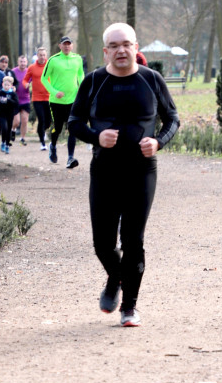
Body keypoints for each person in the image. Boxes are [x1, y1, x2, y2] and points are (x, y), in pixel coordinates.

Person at [68, 23, 179, 327]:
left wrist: (158, 142)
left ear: (135, 47)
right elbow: (74, 122)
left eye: (126, 44)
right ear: (105, 51)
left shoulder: (151, 80)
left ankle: (129, 307)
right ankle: (115, 278)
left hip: (141, 171)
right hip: (104, 170)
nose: (120, 50)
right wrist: (95, 137)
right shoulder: (93, 82)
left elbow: (172, 119)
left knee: (133, 240)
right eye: (114, 45)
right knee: (102, 244)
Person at [41, 36, 84, 169]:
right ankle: (52, 145)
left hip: (73, 100)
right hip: (56, 101)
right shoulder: (53, 60)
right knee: (58, 128)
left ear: (72, 46)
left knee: (72, 128)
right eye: (64, 44)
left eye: (69, 44)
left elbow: (81, 75)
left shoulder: (77, 59)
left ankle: (70, 158)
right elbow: (44, 79)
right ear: (60, 46)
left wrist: (81, 90)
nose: (66, 46)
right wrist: (54, 92)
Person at [23, 47, 51, 150]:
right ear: (37, 56)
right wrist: (26, 84)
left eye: (44, 55)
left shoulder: (51, 65)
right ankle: (42, 143)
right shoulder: (32, 67)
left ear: (46, 55)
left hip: (49, 97)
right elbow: (25, 80)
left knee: (49, 120)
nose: (42, 57)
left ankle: (42, 131)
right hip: (37, 98)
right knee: (42, 119)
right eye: (40, 55)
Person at [0, 76, 20, 154]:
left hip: (10, 114)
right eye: (5, 85)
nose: (6, 86)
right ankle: (3, 143)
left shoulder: (13, 94)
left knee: (8, 129)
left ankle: (7, 145)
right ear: (2, 85)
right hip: (2, 113)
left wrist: (8, 100)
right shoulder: (0, 93)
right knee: (4, 127)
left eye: (8, 85)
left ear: (11, 86)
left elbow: (16, 103)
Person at [11, 55, 31, 145]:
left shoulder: (29, 71)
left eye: (24, 62)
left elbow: (33, 82)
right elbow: (8, 82)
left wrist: (30, 86)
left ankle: (22, 138)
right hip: (15, 99)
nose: (22, 63)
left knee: (25, 120)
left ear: (26, 62)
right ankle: (13, 129)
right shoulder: (13, 71)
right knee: (16, 122)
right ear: (18, 62)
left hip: (26, 99)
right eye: (21, 62)